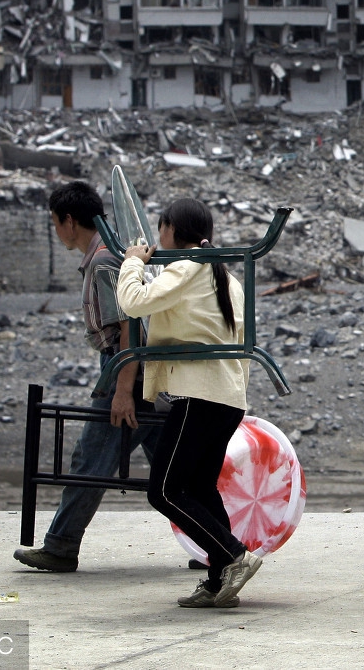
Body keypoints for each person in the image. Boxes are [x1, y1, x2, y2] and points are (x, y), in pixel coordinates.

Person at [117, 198, 261, 609]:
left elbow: (133, 302)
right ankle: (219, 581)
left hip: (200, 395)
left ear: (170, 231)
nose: (156, 237)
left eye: (160, 229)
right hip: (227, 397)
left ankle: (234, 555)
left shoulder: (187, 266)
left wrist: (132, 262)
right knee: (199, 487)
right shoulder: (224, 275)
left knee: (163, 490)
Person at [14, 181, 161, 573]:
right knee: (170, 465)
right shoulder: (108, 251)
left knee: (90, 458)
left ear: (68, 220)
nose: (55, 230)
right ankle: (216, 545)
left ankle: (61, 546)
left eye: (55, 222)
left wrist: (123, 391)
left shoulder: (102, 261)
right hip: (142, 370)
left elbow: (130, 326)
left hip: (124, 368)